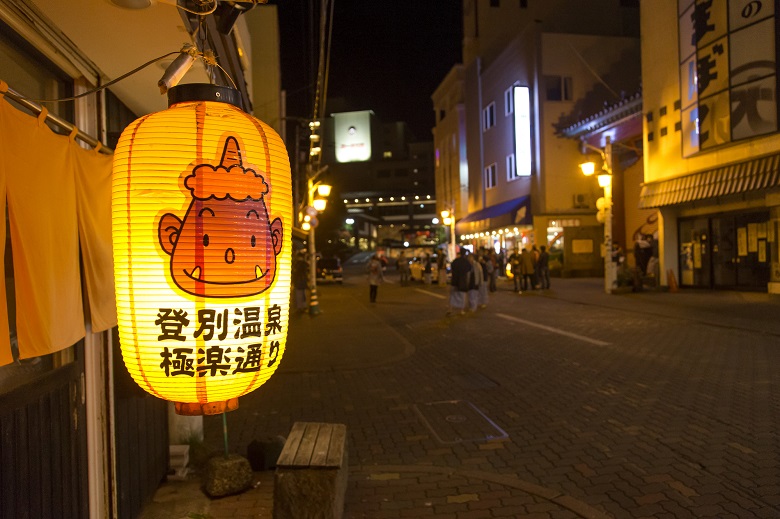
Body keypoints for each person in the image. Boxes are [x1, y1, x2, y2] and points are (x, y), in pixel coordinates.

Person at [448, 249, 472, 315]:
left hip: (455, 280)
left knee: (453, 295)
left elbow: (452, 269)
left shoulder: (455, 261)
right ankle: (461, 310)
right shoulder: (466, 262)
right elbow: (469, 270)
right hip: (463, 281)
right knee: (462, 296)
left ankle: (450, 309)